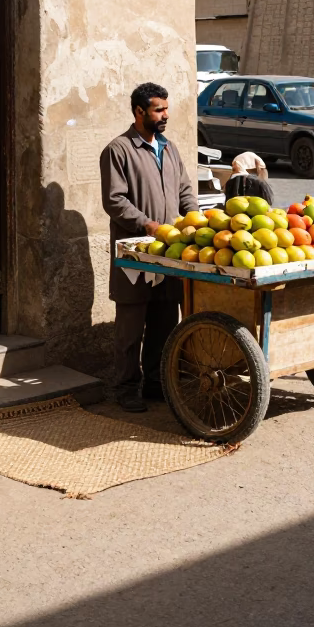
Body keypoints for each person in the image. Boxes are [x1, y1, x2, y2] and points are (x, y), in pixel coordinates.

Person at [100, 82, 198, 412]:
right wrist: (148, 224)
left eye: (166, 109)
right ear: (139, 112)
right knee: (131, 325)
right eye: (159, 109)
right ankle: (125, 388)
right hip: (135, 252)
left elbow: (185, 192)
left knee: (164, 320)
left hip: (169, 253)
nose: (165, 115)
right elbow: (114, 200)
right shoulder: (118, 150)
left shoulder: (169, 149)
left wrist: (195, 221)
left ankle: (157, 383)